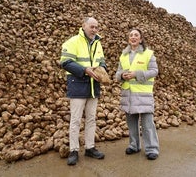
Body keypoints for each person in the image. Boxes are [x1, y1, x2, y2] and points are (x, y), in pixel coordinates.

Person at [60, 17, 106, 165]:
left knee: (91, 119)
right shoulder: (72, 42)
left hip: (94, 86)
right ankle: (74, 150)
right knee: (76, 120)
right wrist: (85, 70)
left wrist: (103, 69)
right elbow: (65, 62)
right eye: (92, 26)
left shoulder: (98, 43)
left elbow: (102, 61)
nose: (94, 29)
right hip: (78, 84)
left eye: (96, 27)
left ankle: (90, 148)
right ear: (83, 26)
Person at [115, 28, 160, 160]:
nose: (133, 37)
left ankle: (152, 149)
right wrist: (122, 75)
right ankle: (134, 145)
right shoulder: (123, 56)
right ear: (129, 39)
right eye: (131, 35)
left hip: (143, 95)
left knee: (147, 124)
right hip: (128, 94)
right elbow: (117, 75)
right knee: (132, 123)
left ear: (140, 39)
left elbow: (154, 71)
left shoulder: (148, 54)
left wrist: (136, 74)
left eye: (136, 35)